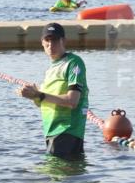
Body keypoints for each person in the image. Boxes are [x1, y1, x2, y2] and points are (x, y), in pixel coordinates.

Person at [17, 22, 89, 159]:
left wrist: (39, 95)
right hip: (51, 132)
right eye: (47, 40)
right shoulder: (50, 70)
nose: (51, 45)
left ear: (64, 41)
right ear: (42, 43)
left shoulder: (73, 62)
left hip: (67, 131)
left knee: (53, 177)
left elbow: (72, 101)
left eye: (55, 40)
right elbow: (42, 102)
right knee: (58, 177)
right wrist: (33, 95)